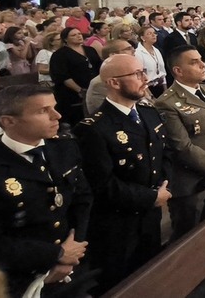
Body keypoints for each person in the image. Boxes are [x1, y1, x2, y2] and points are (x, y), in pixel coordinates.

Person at [0, 85, 95, 297]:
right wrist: (56, 254)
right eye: (43, 111)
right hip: (24, 278)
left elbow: (82, 199)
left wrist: (73, 249)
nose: (57, 116)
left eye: (54, 107)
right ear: (8, 121)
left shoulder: (64, 147)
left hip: (73, 268)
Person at [74, 54, 170, 293]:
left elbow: (161, 155)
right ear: (114, 83)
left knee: (150, 275)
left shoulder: (148, 113)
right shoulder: (95, 128)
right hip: (118, 225)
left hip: (150, 215)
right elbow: (102, 185)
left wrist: (163, 188)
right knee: (121, 284)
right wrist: (151, 197)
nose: (145, 78)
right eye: (137, 74)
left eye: (143, 72)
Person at [154, 46, 205, 240]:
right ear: (178, 71)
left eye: (201, 60)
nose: (202, 64)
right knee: (190, 235)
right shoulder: (167, 103)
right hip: (191, 183)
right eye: (194, 62)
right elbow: (181, 146)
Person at [49, 27, 102, 127]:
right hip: (71, 93)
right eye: (74, 35)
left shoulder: (90, 50)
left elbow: (99, 67)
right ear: (65, 39)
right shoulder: (60, 55)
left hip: (93, 89)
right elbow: (62, 76)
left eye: (79, 33)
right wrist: (80, 90)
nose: (78, 36)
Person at [135, 27, 166, 98]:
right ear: (142, 37)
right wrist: (150, 96)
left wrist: (165, 90)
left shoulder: (157, 50)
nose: (153, 35)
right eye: (149, 33)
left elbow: (162, 71)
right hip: (149, 88)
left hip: (160, 86)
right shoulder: (138, 53)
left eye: (154, 33)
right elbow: (141, 75)